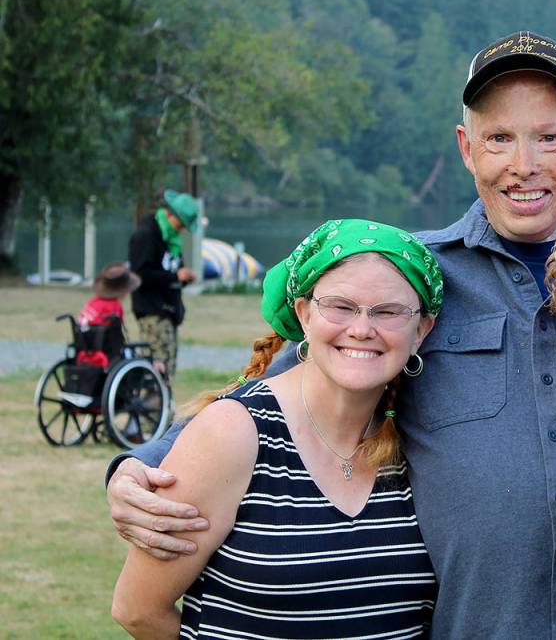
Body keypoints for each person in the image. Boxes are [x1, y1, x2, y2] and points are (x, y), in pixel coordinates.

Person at [105, 31, 556, 638]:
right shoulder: (412, 281)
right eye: (499, 139)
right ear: (465, 147)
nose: (524, 166)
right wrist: (144, 465)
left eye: (548, 137)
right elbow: (289, 387)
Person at [111, 219, 442, 638]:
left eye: (389, 311)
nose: (362, 329)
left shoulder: (418, 442)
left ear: (421, 330)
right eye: (341, 306)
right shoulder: (232, 433)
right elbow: (138, 609)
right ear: (303, 314)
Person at [128, 189, 200, 384]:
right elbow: (140, 275)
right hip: (152, 311)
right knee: (157, 369)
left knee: (168, 369)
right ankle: (152, 409)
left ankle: (162, 408)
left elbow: (171, 272)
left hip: (169, 311)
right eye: (181, 223)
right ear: (170, 214)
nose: (181, 229)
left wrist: (182, 277)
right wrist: (174, 275)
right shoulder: (146, 235)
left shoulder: (171, 240)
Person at [76, 262, 141, 368]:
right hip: (106, 354)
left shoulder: (93, 302)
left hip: (85, 351)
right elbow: (118, 337)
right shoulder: (114, 307)